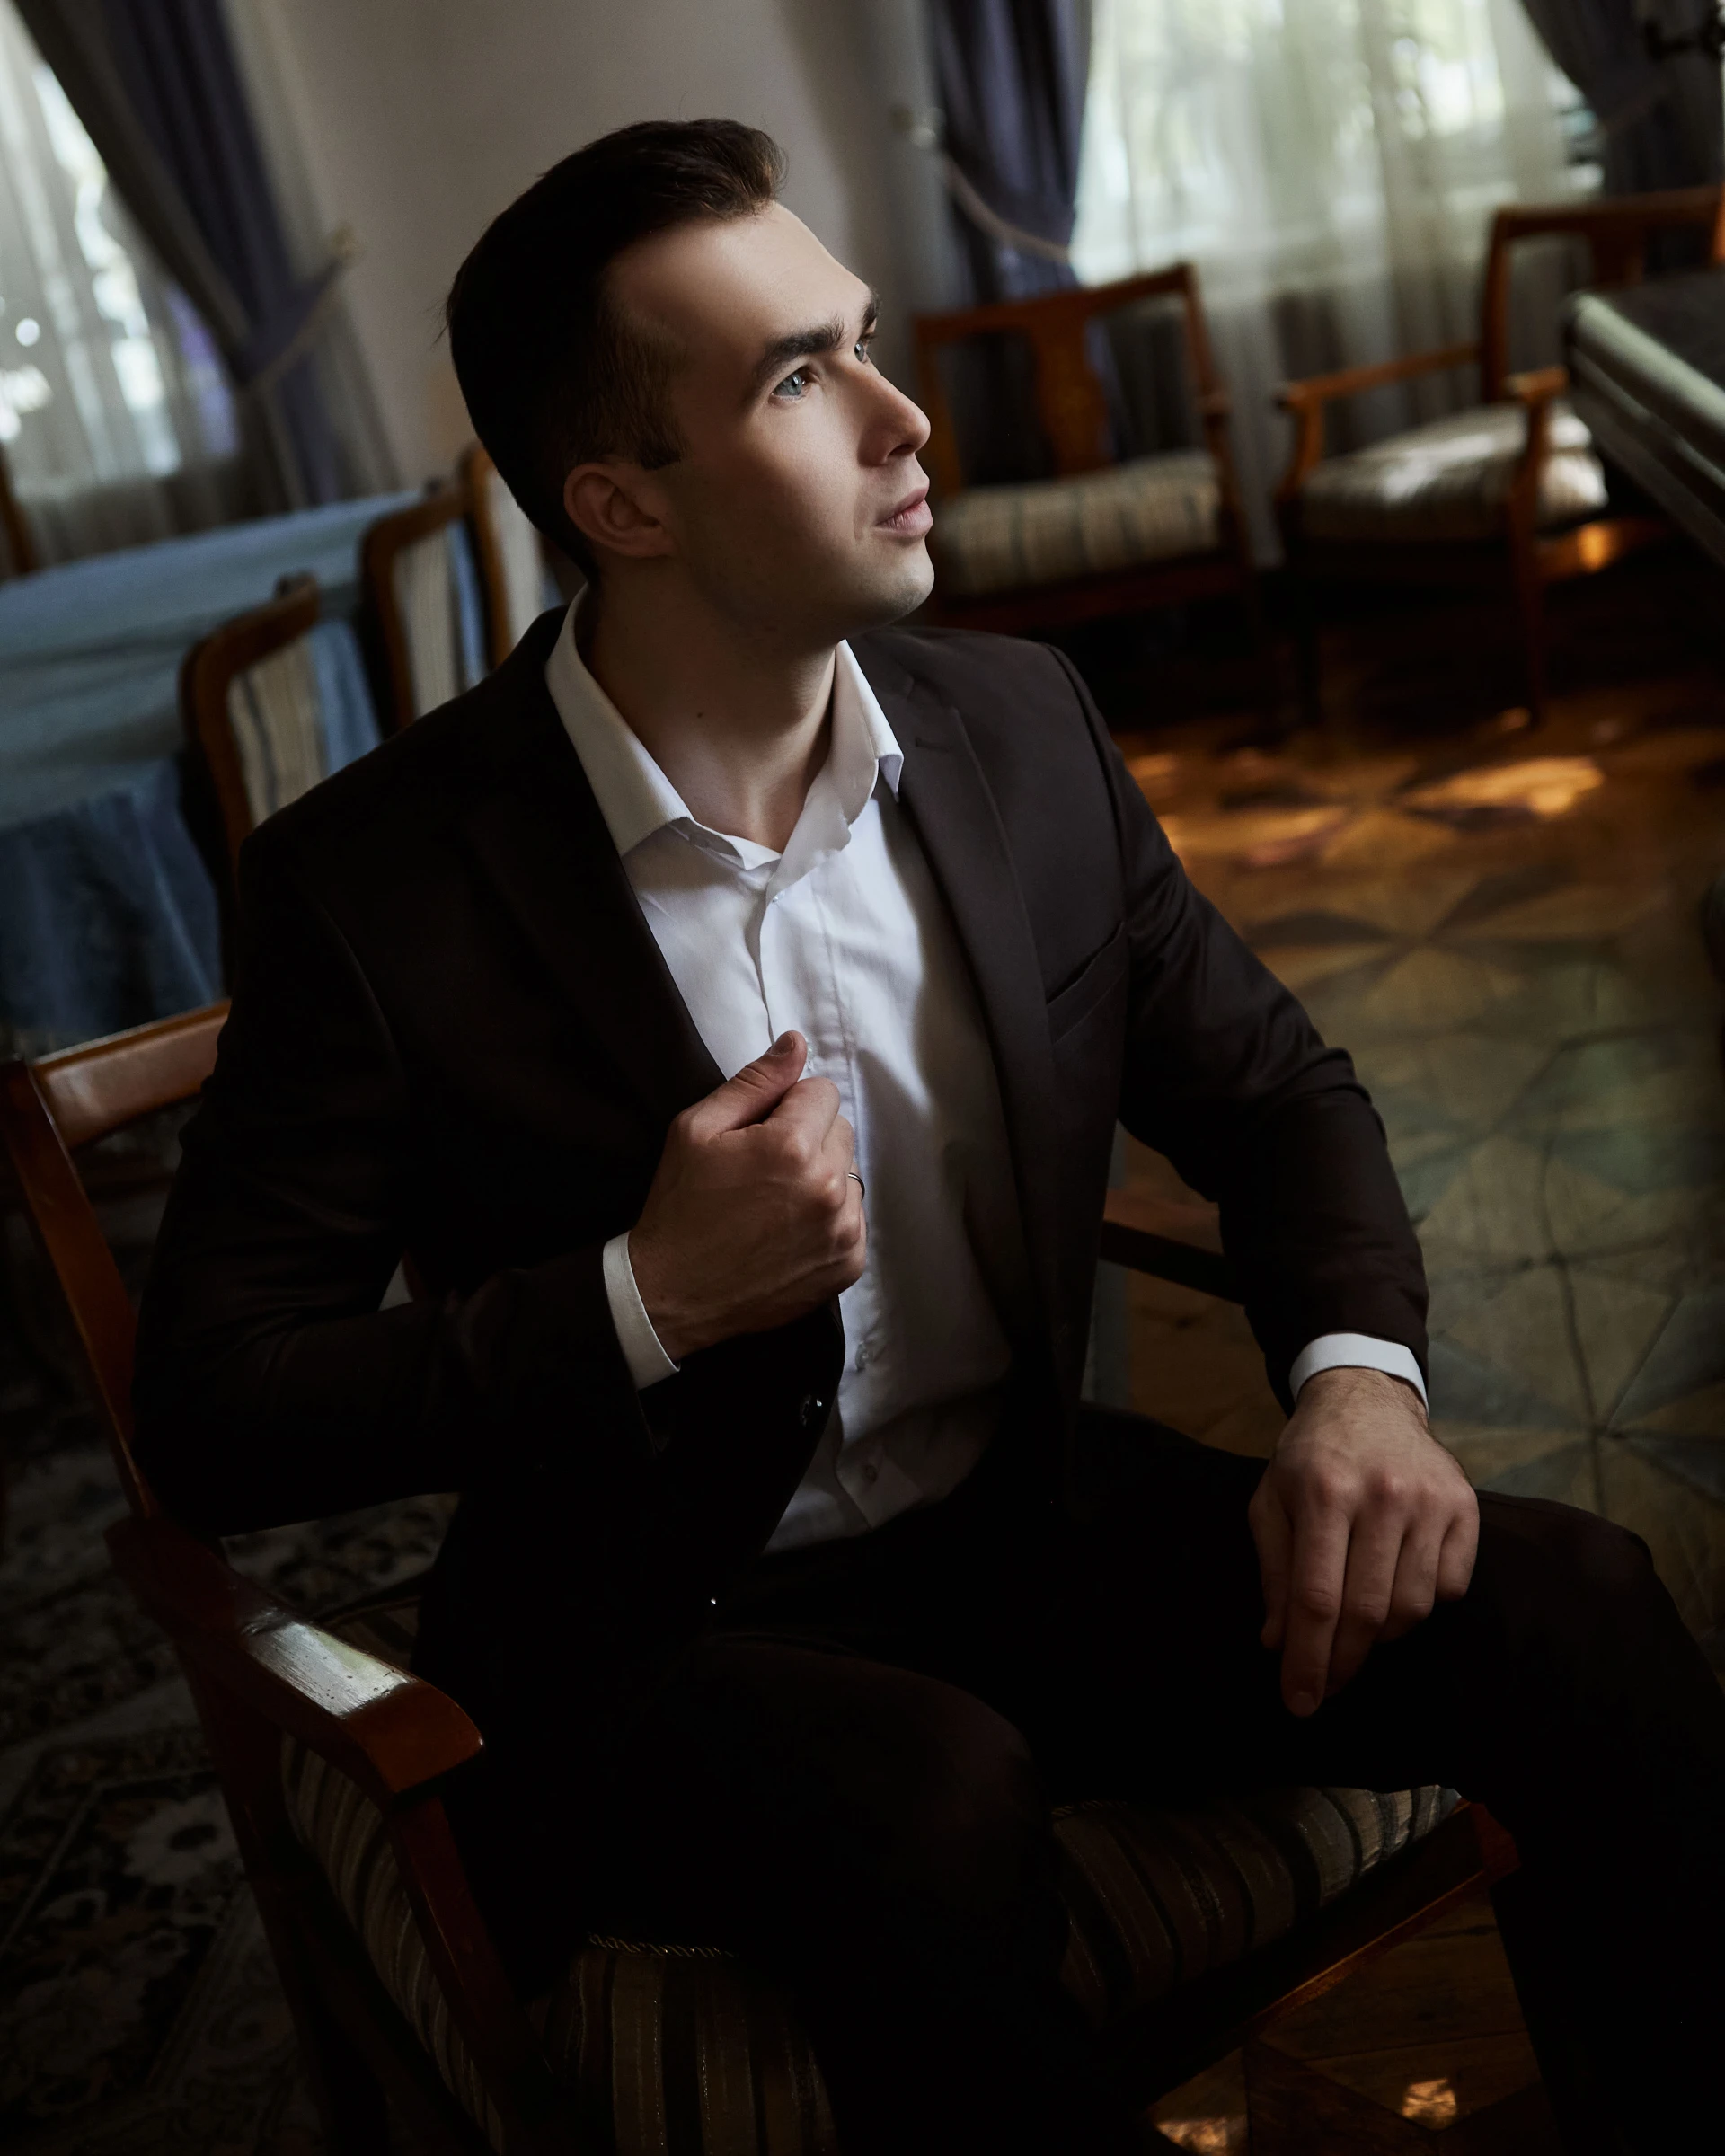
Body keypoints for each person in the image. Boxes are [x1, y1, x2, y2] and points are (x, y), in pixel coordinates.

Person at [134, 120, 1725, 2156]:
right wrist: (641, 1300)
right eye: (801, 378)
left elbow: (1279, 1096)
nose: (906, 420)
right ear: (620, 501)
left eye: (863, 341)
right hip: (651, 1642)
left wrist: (1356, 1387)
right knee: (937, 1798)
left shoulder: (1021, 727)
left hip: (1020, 1528)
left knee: (1580, 1605)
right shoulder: (373, 888)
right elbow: (215, 1410)